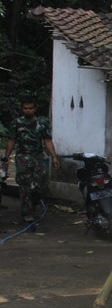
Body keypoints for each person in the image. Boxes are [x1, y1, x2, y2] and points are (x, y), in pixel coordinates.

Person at [3, 97, 60, 233]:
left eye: (30, 108)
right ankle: (26, 213)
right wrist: (6, 156)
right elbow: (12, 140)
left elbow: (47, 140)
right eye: (25, 108)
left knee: (42, 184)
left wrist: (54, 157)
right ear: (22, 109)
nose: (28, 110)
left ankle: (35, 205)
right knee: (24, 185)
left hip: (38, 157)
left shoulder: (42, 123)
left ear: (35, 109)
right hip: (23, 157)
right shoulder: (16, 123)